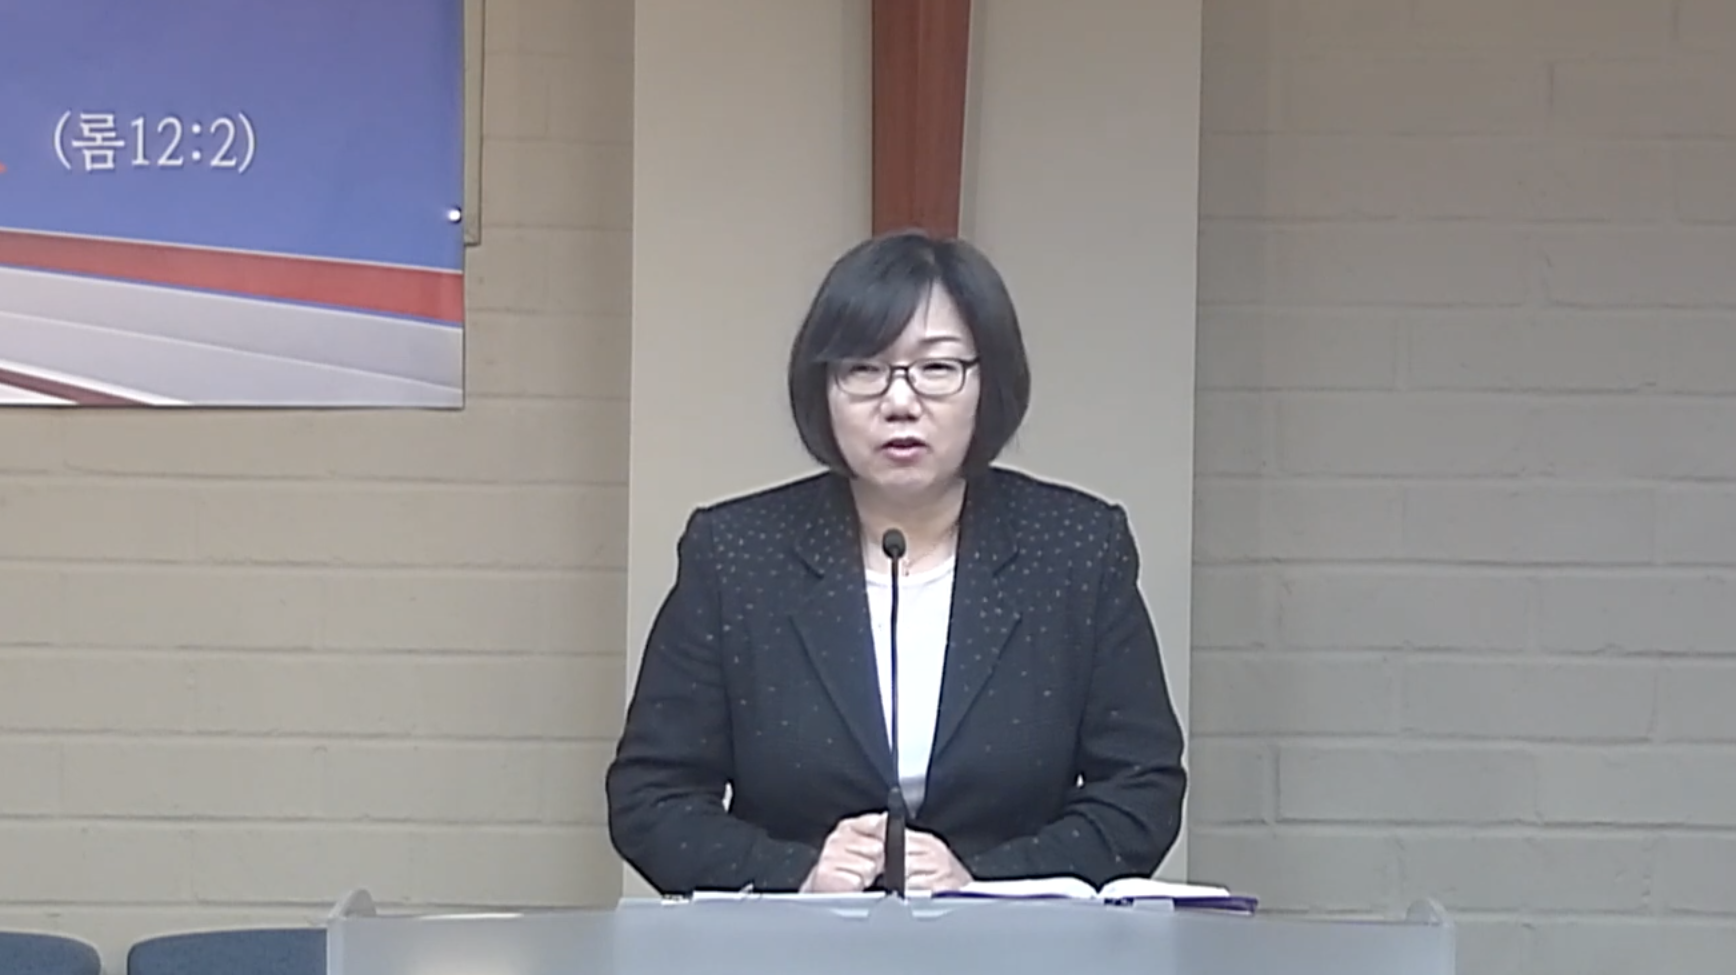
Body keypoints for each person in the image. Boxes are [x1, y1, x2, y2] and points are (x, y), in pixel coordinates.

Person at [605, 228, 1187, 896]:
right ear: (822, 388)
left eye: (937, 369)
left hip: (1013, 938)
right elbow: (652, 797)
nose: (901, 402)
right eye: (864, 369)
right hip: (794, 940)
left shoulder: (1076, 548)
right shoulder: (736, 553)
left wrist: (981, 881)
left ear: (988, 383)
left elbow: (1141, 787)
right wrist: (798, 875)